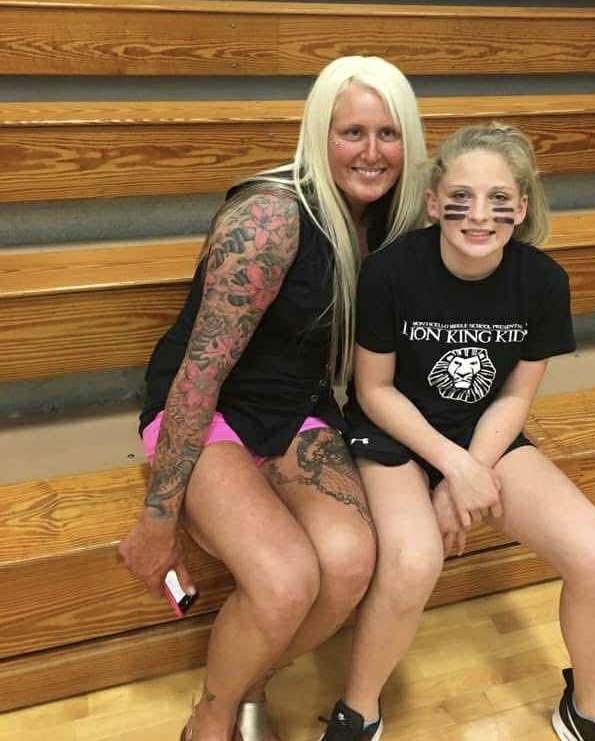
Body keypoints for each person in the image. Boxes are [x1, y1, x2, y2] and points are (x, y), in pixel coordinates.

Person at [118, 55, 427, 741]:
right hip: (211, 405)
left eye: (388, 133)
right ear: (320, 134)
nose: (372, 152)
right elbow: (200, 373)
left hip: (300, 407)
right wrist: (158, 518)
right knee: (286, 580)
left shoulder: (390, 220)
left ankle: (250, 678)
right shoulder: (270, 216)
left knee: (348, 563)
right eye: (352, 132)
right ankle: (211, 718)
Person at [319, 123, 595, 741]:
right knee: (413, 561)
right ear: (434, 201)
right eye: (461, 197)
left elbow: (515, 396)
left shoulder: (543, 281)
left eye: (498, 199)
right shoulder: (390, 273)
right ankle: (358, 711)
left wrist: (470, 470)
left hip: (484, 433)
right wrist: (456, 469)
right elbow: (374, 391)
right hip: (395, 431)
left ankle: (590, 711)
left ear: (521, 207)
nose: (479, 215)